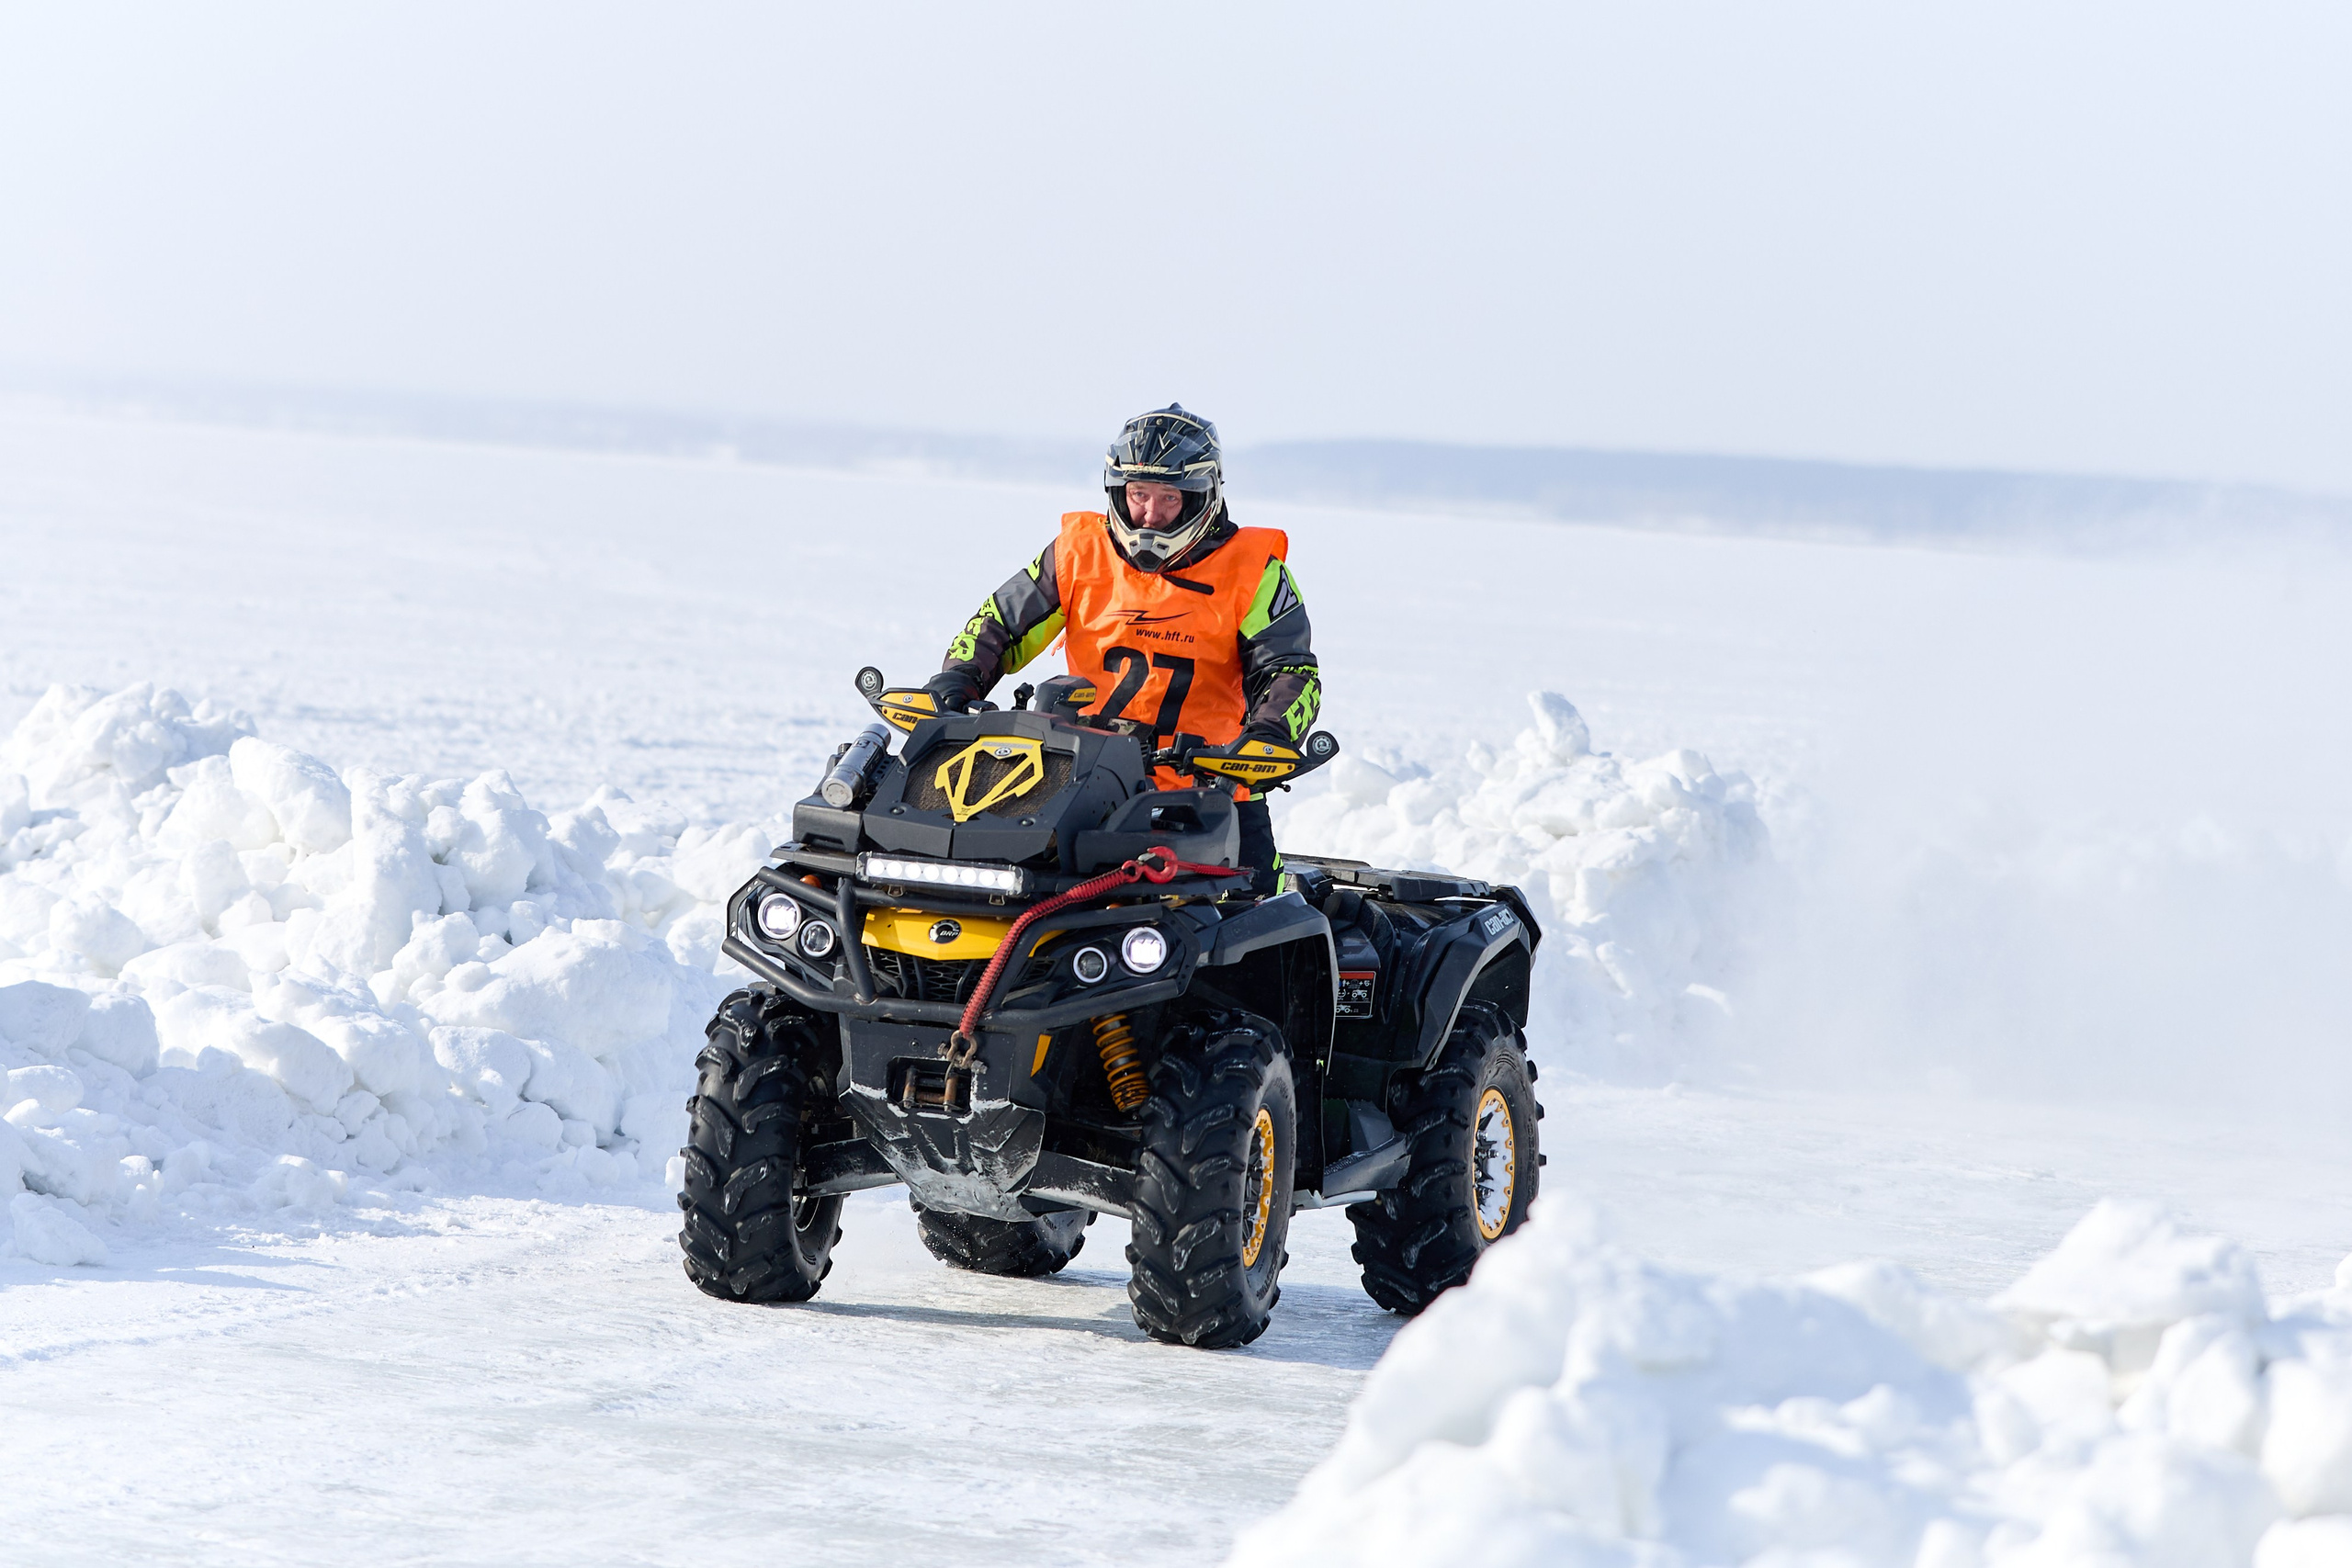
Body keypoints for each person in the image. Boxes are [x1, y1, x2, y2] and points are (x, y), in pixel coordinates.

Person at [925, 404, 1320, 896]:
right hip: (1078, 784)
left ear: (1204, 496)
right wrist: (957, 679)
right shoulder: (1076, 552)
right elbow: (999, 624)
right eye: (1138, 495)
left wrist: (1269, 732)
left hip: (1208, 792)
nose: (1150, 514)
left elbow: (1290, 670)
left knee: (1260, 928)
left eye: (1169, 498)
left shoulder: (1255, 572)